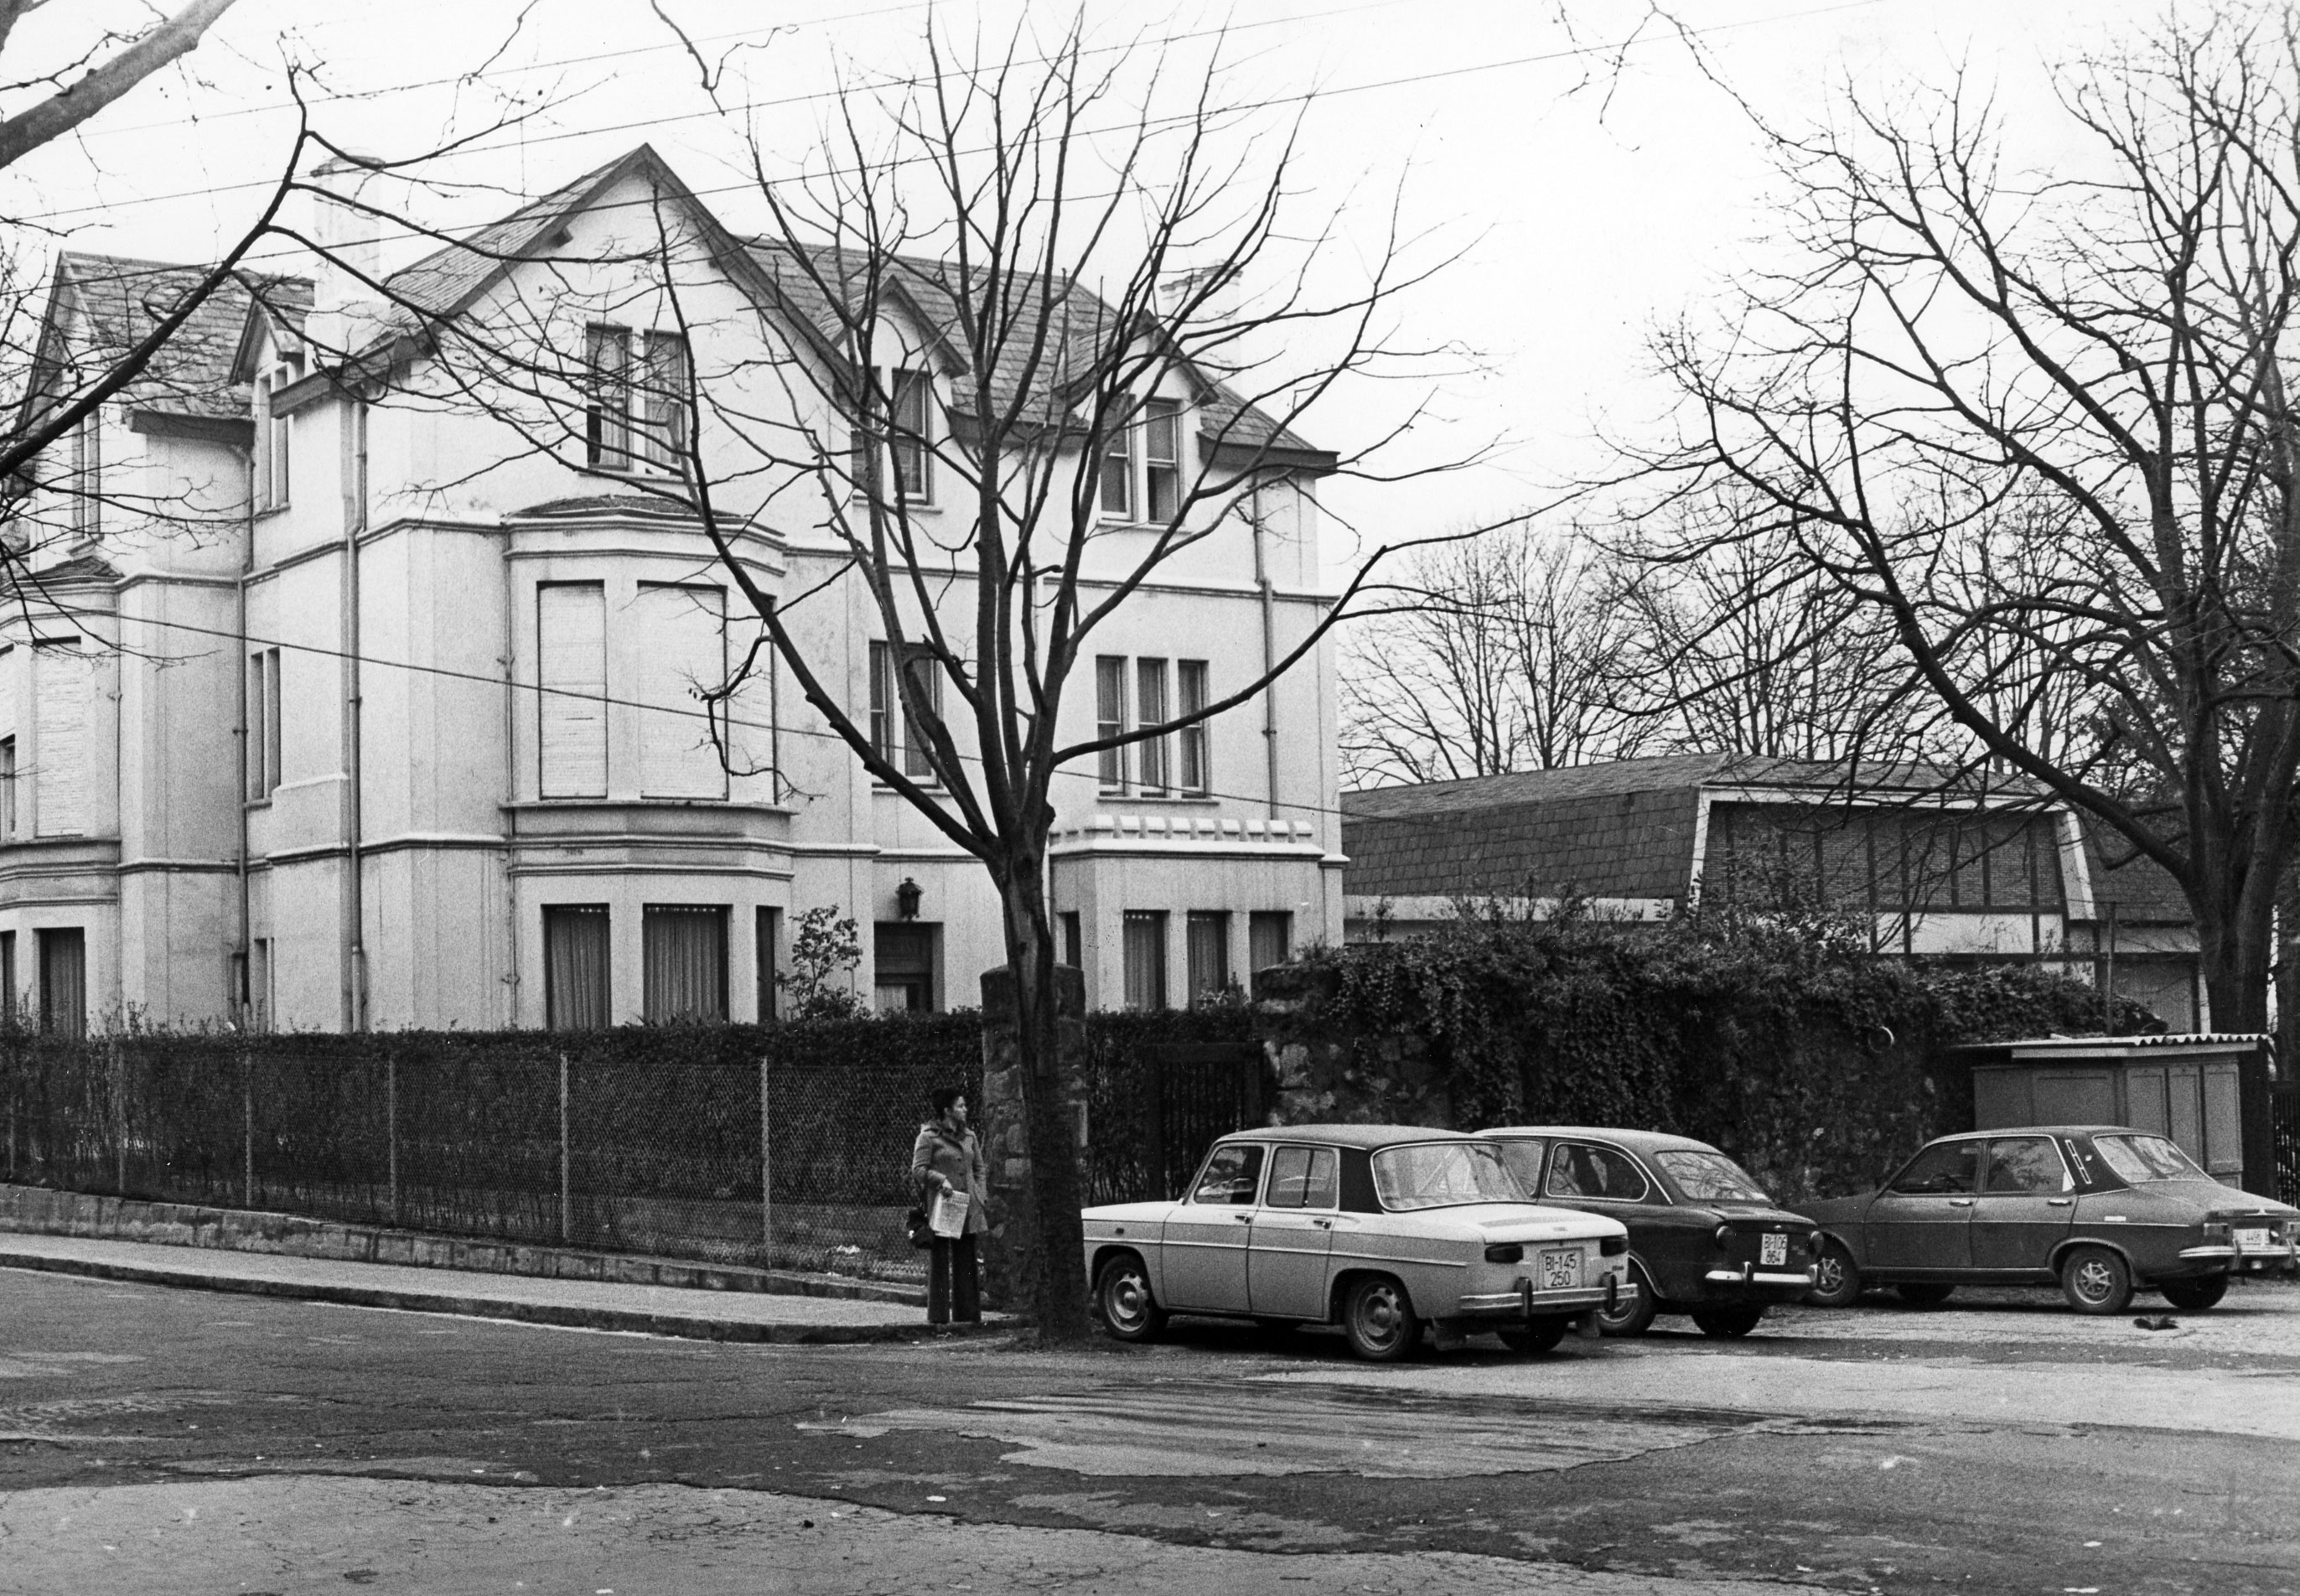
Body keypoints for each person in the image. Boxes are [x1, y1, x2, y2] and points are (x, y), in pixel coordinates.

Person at [910, 1086, 987, 1324]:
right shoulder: (928, 1137)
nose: (965, 1110)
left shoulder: (970, 1137)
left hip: (967, 1205)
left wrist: (979, 1194)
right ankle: (939, 1316)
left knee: (966, 1258)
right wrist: (940, 1179)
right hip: (942, 1206)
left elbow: (979, 1168)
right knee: (940, 1260)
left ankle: (968, 1315)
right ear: (947, 1110)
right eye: (960, 1106)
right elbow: (918, 1170)